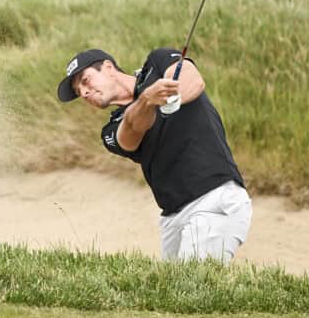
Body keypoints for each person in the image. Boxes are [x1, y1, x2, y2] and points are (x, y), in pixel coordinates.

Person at [56, 48, 252, 264]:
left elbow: (192, 80)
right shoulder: (111, 130)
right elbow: (132, 130)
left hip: (214, 199)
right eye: (78, 91)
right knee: (171, 295)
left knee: (192, 288)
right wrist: (148, 101)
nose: (83, 92)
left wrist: (172, 98)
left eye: (86, 80)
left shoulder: (157, 63)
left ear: (109, 68)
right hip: (172, 219)